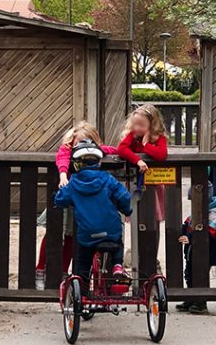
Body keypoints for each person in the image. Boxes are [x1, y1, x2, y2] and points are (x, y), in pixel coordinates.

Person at [35, 122, 117, 290]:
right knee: (54, 233)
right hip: (68, 195)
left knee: (73, 236)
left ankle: (64, 273)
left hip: (83, 201)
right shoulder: (67, 150)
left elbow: (112, 150)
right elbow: (62, 158)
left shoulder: (96, 152)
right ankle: (40, 269)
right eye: (78, 142)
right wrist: (63, 175)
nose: (82, 147)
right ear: (72, 142)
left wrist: (129, 152)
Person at [54, 139, 133, 288]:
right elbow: (124, 196)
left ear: (77, 163)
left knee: (83, 261)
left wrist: (56, 198)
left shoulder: (74, 183)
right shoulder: (108, 179)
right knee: (118, 242)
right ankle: (117, 265)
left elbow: (61, 199)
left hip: (87, 234)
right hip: (110, 231)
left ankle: (81, 290)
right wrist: (127, 210)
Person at [116, 103, 169, 222]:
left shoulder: (159, 138)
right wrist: (138, 160)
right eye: (135, 124)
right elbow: (121, 149)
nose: (137, 128)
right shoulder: (132, 135)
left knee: (152, 218)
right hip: (135, 181)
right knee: (136, 216)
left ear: (152, 125)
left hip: (154, 182)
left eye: (142, 125)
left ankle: (153, 239)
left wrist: (146, 144)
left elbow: (161, 154)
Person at [177, 184, 216, 314]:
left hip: (205, 251)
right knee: (189, 274)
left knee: (200, 276)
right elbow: (189, 223)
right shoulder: (196, 211)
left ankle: (201, 302)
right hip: (192, 251)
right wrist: (183, 230)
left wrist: (191, 237)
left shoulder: (214, 213)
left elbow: (210, 231)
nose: (192, 204)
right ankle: (191, 298)